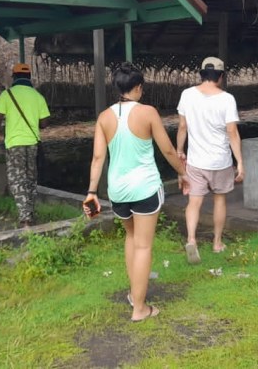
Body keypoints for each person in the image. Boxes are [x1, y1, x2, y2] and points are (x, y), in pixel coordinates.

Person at [83, 63, 187, 322]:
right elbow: (168, 150)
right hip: (145, 188)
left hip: (117, 191)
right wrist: (183, 172)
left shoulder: (104, 117)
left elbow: (97, 157)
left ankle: (133, 294)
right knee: (143, 246)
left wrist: (92, 191)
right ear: (138, 87)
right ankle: (139, 308)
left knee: (131, 238)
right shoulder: (148, 112)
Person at [176, 57, 244, 264]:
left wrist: (180, 151)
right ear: (221, 77)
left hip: (196, 161)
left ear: (201, 74)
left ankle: (191, 239)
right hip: (220, 161)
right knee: (219, 199)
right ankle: (217, 243)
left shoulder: (187, 95)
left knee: (194, 202)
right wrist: (240, 161)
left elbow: (182, 127)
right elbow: (232, 131)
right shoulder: (227, 99)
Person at [0, 63, 50, 227]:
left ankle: (25, 219)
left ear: (14, 77)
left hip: (14, 144)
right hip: (32, 143)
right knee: (30, 179)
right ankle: (29, 213)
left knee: (17, 179)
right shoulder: (38, 97)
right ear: (29, 78)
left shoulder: (7, 95)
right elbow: (44, 123)